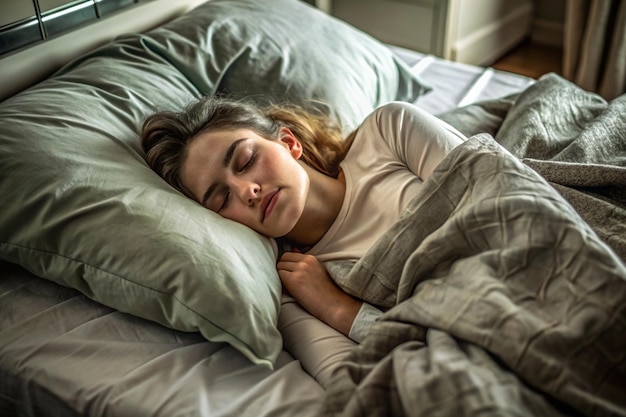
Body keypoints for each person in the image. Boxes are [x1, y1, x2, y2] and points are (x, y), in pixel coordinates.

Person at [140, 95, 466, 344]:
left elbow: (497, 188)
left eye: (246, 160)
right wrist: (339, 309)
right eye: (222, 199)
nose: (247, 191)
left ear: (289, 142)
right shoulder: (296, 285)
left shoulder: (389, 132)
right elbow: (404, 352)